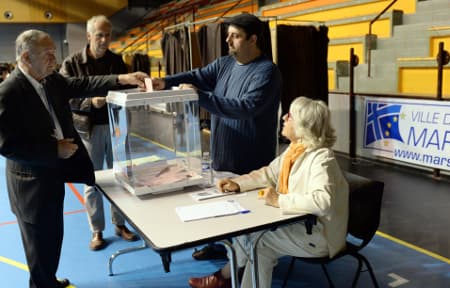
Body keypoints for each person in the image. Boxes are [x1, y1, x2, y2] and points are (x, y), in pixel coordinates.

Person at [0, 29, 146, 288]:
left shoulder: (50, 80)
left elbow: (84, 84)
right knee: (38, 247)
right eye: (48, 55)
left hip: (53, 175)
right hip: (31, 184)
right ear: (25, 57)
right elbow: (7, 145)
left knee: (53, 238)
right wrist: (52, 149)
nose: (54, 61)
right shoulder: (9, 91)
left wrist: (122, 77)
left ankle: (48, 281)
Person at [152, 13, 282, 260]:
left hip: (251, 160)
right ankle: (218, 245)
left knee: (245, 215)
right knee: (219, 205)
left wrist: (200, 96)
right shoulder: (225, 64)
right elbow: (198, 75)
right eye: (228, 36)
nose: (228, 41)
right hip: (223, 154)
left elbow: (245, 107)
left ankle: (243, 262)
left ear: (253, 39)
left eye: (235, 36)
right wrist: (165, 82)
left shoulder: (267, 72)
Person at [188, 96, 349, 288]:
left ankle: (225, 276)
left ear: (303, 125)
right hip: (299, 225)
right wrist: (238, 183)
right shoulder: (294, 151)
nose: (283, 119)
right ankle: (226, 276)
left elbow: (323, 202)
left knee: (258, 242)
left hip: (318, 236)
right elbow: (268, 174)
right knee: (251, 236)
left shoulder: (322, 158)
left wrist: (280, 200)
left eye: (289, 116)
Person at [59, 15, 138, 251]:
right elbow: (65, 96)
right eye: (100, 35)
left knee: (120, 178)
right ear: (89, 36)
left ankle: (120, 224)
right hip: (89, 130)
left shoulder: (116, 61)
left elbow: (125, 90)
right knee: (91, 182)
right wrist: (90, 103)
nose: (104, 39)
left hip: (116, 127)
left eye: (108, 35)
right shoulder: (72, 63)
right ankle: (97, 230)